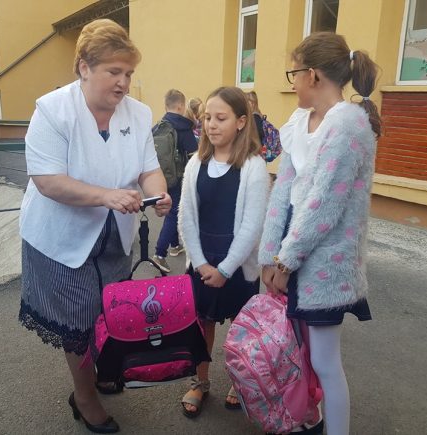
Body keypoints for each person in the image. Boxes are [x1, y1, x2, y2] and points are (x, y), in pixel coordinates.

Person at [18, 19, 172, 434]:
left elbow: (148, 170)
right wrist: (106, 195)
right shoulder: (53, 111)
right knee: (79, 319)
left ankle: (102, 372)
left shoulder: (138, 113)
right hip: (60, 236)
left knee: (108, 309)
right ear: (84, 68)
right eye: (114, 72)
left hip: (113, 234)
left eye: (129, 73)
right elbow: (48, 181)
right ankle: (84, 395)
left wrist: (158, 194)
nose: (123, 83)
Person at [258, 32, 380, 435]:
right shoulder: (301, 122)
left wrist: (285, 261)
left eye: (293, 74)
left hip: (324, 263)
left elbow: (324, 204)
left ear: (312, 75)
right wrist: (270, 255)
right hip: (294, 253)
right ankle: (308, 418)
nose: (292, 82)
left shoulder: (347, 125)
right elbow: (284, 192)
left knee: (326, 362)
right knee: (303, 353)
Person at [178, 86, 269, 418]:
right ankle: (200, 382)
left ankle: (238, 381)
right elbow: (186, 217)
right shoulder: (195, 164)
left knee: (240, 328)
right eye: (207, 118)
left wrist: (226, 269)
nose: (211, 125)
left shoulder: (254, 167)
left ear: (241, 122)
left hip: (237, 264)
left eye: (221, 118)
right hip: (202, 261)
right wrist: (201, 263)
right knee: (201, 325)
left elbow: (252, 226)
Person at [151, 89, 198, 273]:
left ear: (166, 106)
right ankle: (159, 254)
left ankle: (175, 246)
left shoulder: (158, 127)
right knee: (174, 213)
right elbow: (194, 155)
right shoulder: (184, 128)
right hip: (178, 178)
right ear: (181, 106)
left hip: (159, 177)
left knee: (170, 208)